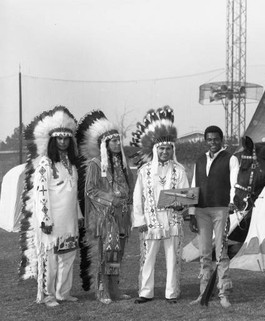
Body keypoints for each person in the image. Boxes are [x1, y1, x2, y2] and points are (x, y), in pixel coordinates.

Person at [24, 106, 84, 307]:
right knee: (50, 259)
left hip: (69, 220)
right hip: (52, 220)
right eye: (59, 138)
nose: (63, 142)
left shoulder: (72, 165)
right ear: (53, 140)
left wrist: (78, 215)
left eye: (66, 139)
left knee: (68, 256)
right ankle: (48, 294)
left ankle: (63, 293)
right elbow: (40, 194)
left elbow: (72, 194)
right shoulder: (45, 164)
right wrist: (44, 220)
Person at [131, 106, 189, 304]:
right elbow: (137, 197)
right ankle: (145, 292)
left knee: (173, 258)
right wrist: (139, 220)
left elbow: (185, 195)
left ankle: (171, 293)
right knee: (148, 258)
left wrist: (182, 205)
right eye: (161, 149)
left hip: (172, 220)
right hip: (150, 221)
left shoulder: (179, 171)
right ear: (155, 150)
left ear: (173, 150)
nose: (165, 152)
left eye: (168, 149)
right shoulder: (145, 171)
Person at [78, 110, 134, 304]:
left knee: (118, 254)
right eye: (113, 141)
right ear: (105, 144)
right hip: (105, 217)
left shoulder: (123, 165)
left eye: (119, 141)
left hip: (122, 216)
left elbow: (129, 188)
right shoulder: (95, 164)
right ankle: (102, 289)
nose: (118, 144)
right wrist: (111, 200)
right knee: (106, 252)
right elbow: (91, 191)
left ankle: (114, 287)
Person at [189, 125, 239, 308]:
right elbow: (194, 186)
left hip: (221, 209)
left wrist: (233, 202)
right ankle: (204, 293)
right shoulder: (199, 160)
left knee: (220, 252)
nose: (212, 142)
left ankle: (223, 292)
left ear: (221, 140)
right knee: (204, 253)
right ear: (205, 141)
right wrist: (192, 212)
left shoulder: (231, 159)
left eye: (216, 139)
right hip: (202, 210)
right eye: (209, 139)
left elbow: (235, 183)